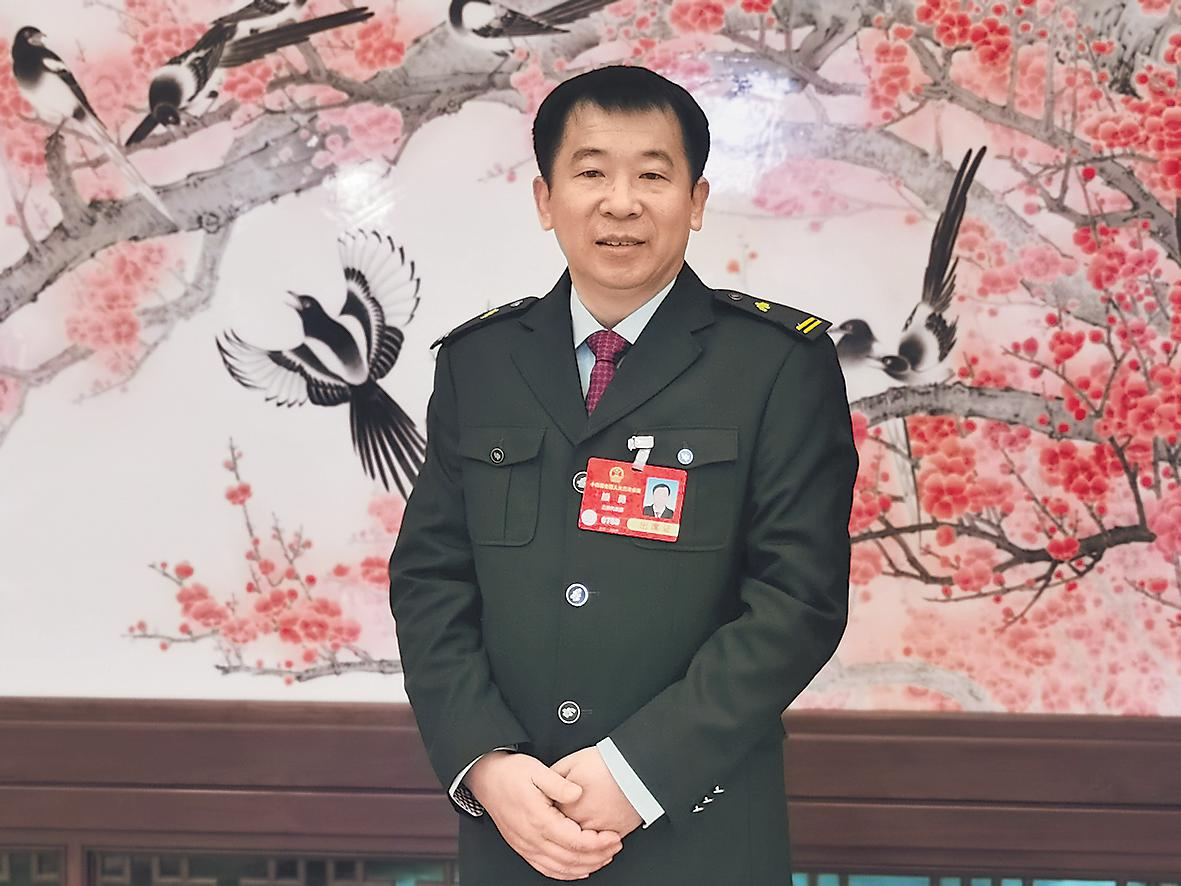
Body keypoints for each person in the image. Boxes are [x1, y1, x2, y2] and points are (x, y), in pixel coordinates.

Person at [388, 63, 858, 886]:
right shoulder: (479, 363)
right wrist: (485, 762)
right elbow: (431, 579)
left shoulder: (776, 365)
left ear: (696, 201)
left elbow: (798, 600)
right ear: (545, 199)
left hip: (701, 826)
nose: (620, 203)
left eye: (652, 175)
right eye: (591, 173)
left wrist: (638, 770)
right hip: (518, 826)